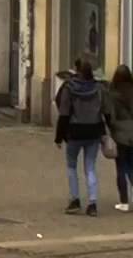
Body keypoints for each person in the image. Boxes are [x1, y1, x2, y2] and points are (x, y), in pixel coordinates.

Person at [57, 59, 107, 216]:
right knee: (90, 167)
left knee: (71, 166)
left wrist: (59, 136)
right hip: (93, 131)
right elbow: (104, 110)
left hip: (75, 131)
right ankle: (92, 203)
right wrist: (104, 132)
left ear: (77, 70)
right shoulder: (98, 88)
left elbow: (64, 113)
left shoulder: (69, 87)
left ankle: (75, 200)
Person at [106, 64, 133, 212]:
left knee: (121, 168)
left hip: (120, 135)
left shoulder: (113, 94)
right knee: (131, 167)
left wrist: (111, 130)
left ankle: (124, 201)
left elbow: (111, 117)